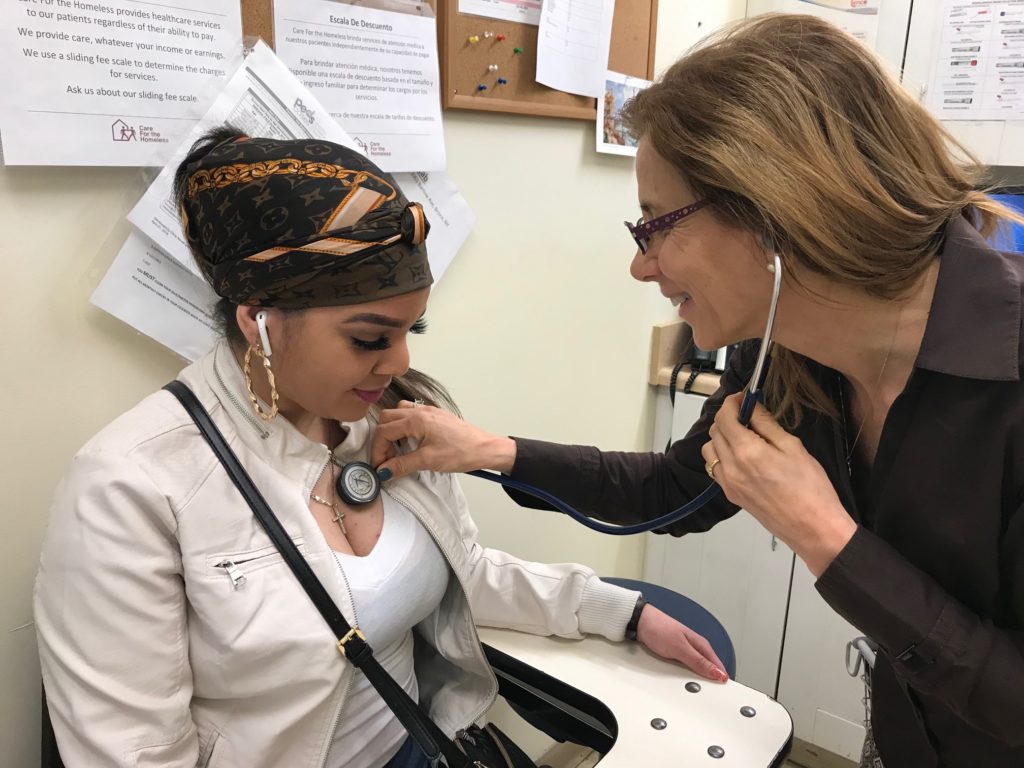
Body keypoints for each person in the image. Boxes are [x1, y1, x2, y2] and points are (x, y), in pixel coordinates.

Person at [369, 14, 1024, 768]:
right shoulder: (786, 352)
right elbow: (676, 489)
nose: (641, 267)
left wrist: (826, 537)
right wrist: (489, 451)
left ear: (771, 211)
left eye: (656, 224)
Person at [33, 130, 727, 768]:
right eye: (369, 338)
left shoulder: (383, 420)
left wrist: (618, 611)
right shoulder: (131, 487)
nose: (395, 364)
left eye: (410, 332)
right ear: (260, 322)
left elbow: (467, 574)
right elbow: (135, 753)